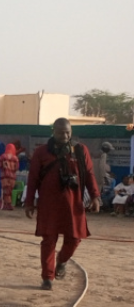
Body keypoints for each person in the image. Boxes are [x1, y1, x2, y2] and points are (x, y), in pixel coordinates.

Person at [26, 118, 100, 290]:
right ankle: (47, 278)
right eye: (60, 132)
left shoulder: (80, 150)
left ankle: (62, 261)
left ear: (71, 131)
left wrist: (95, 196)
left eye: (67, 132)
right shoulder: (41, 152)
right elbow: (33, 179)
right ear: (53, 132)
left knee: (75, 238)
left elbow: (89, 174)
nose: (64, 135)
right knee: (49, 240)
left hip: (74, 203)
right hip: (49, 204)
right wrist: (29, 202)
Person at [0, 143, 19, 210]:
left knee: (5, 190)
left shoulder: (2, 156)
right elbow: (17, 168)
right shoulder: (15, 158)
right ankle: (8, 204)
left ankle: (5, 204)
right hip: (12, 177)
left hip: (4, 176)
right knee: (9, 191)